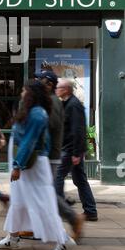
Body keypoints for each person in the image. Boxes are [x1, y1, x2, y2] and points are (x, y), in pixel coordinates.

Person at [0, 81, 76, 250]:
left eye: (24, 90)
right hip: (28, 163)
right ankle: (12, 238)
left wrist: (17, 165)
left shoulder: (37, 113)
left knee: (43, 202)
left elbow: (29, 141)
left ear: (31, 93)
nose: (21, 92)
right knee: (19, 201)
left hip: (33, 165)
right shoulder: (32, 110)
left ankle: (62, 241)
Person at [35, 71, 85, 239]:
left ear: (48, 84)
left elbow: (54, 126)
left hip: (51, 154)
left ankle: (72, 218)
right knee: (41, 191)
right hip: (51, 153)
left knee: (46, 191)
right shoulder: (53, 101)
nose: (36, 82)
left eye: (39, 80)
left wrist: (76, 152)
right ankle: (34, 226)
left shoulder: (54, 102)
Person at [55, 78, 98, 221]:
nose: (56, 90)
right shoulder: (68, 104)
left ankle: (62, 209)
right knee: (80, 179)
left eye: (59, 88)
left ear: (66, 89)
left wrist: (76, 153)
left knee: (58, 177)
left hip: (70, 149)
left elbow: (78, 130)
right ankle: (90, 211)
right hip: (72, 149)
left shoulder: (73, 105)